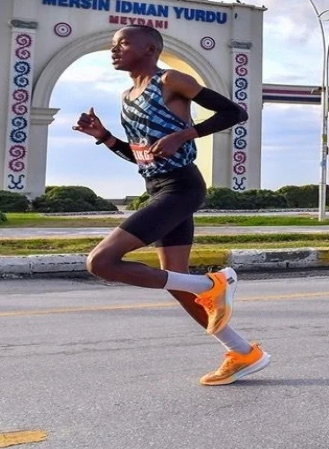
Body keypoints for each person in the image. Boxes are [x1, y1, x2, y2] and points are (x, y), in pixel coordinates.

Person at [72, 25, 267, 386]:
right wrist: (105, 137)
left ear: (149, 49)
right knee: (178, 283)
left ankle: (211, 284)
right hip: (157, 186)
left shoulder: (170, 80)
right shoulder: (127, 96)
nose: (114, 50)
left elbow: (235, 113)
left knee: (100, 262)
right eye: (113, 45)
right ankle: (242, 352)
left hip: (182, 187)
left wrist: (184, 134)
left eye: (122, 44)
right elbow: (143, 156)